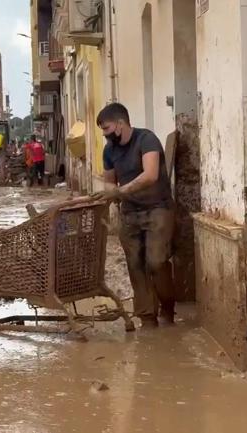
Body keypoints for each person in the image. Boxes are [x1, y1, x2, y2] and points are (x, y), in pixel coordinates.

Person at [91, 103, 175, 328]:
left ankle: (168, 309)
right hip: (129, 213)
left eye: (107, 128)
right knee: (135, 265)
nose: (105, 134)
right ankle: (147, 318)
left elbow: (150, 175)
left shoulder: (146, 140)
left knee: (156, 262)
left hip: (158, 209)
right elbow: (110, 182)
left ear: (120, 124)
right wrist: (109, 197)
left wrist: (121, 191)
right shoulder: (109, 151)